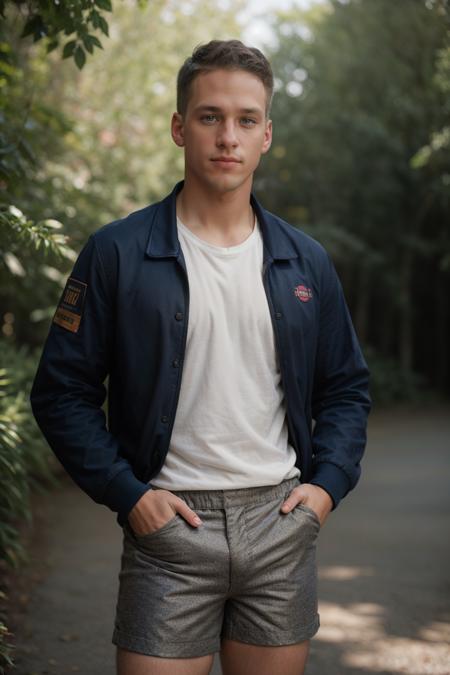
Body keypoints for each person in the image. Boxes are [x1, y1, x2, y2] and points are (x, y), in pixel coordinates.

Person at [30, 39, 371, 675]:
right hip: (168, 531)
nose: (227, 137)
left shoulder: (307, 262)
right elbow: (61, 392)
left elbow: (346, 389)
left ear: (266, 135)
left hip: (279, 524)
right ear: (179, 128)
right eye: (210, 116)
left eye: (246, 120)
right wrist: (130, 496)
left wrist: (326, 488)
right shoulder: (117, 252)